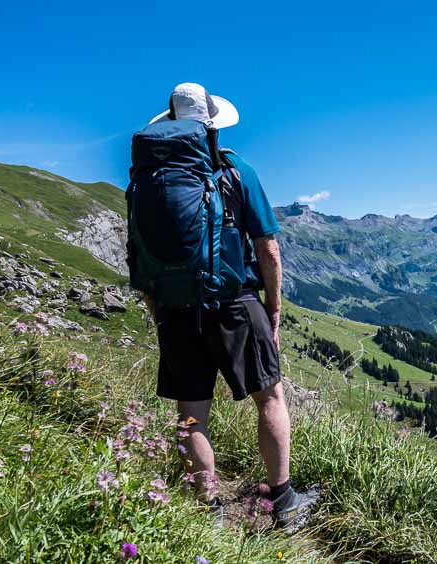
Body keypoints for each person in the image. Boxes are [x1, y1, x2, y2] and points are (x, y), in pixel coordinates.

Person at [142, 82, 319, 531]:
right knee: (270, 398)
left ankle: (208, 511)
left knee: (190, 414)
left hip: (176, 309)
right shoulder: (237, 171)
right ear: (213, 126)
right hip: (235, 303)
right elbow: (269, 249)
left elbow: (139, 256)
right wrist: (273, 309)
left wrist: (158, 309)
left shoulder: (146, 181)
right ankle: (284, 500)